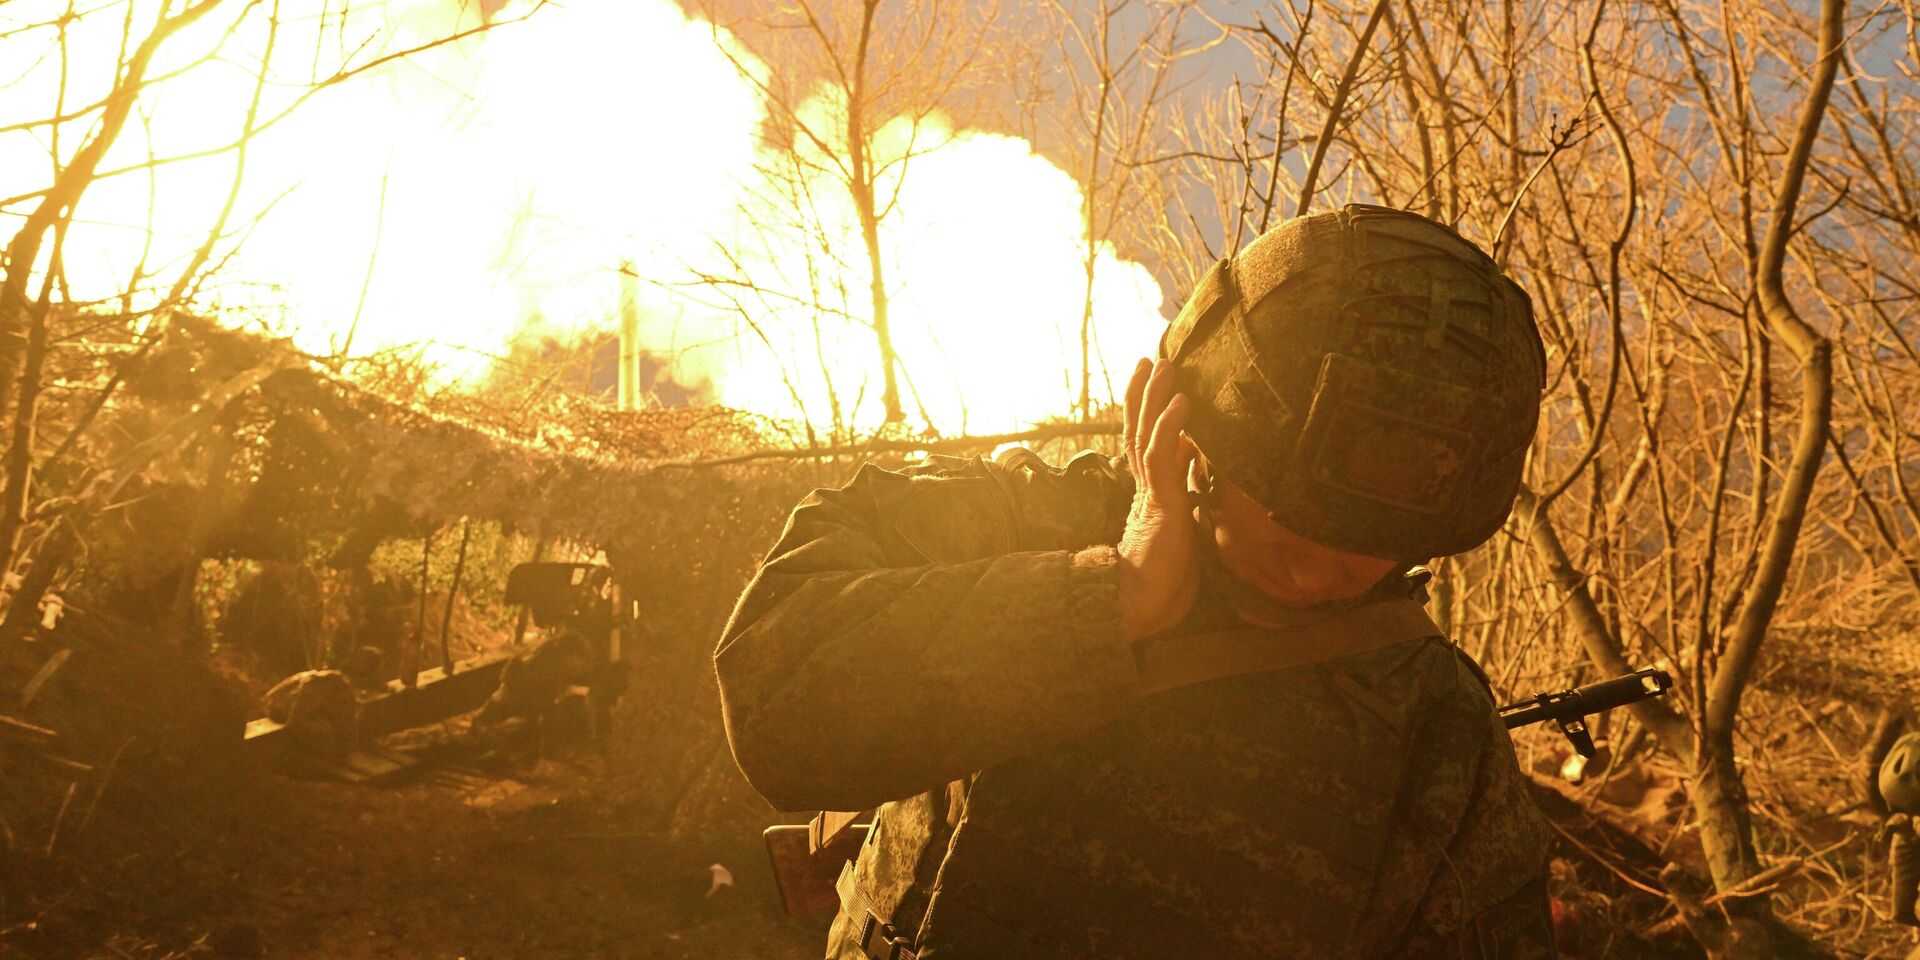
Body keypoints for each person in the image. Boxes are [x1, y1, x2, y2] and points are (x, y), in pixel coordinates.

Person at [714, 204, 1555, 959]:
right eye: (1290, 517)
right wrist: (1110, 598)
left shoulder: (1439, 731)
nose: (1315, 566)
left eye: (1371, 542)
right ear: (1182, 422)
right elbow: (773, 700)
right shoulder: (1018, 518)